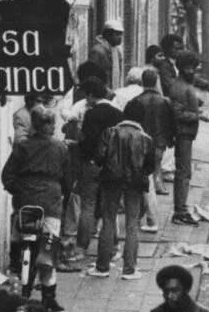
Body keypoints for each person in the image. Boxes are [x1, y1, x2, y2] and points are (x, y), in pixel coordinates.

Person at [2, 107, 71, 312]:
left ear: (34, 125)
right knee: (49, 244)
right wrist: (63, 194)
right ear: (50, 126)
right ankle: (48, 297)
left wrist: (17, 189)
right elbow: (67, 180)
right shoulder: (61, 148)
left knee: (18, 233)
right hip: (50, 200)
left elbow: (7, 175)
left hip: (25, 198)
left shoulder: (23, 147)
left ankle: (15, 264)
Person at [86, 103, 155, 280]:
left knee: (108, 221)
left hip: (111, 181)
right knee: (132, 224)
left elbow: (99, 157)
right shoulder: (146, 138)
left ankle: (102, 267)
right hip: (135, 184)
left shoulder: (110, 133)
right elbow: (150, 166)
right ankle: (129, 269)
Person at [69, 77, 123, 262]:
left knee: (88, 206)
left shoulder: (91, 114)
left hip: (91, 165)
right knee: (109, 208)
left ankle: (81, 248)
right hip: (111, 165)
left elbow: (87, 141)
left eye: (86, 96)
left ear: (91, 95)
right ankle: (113, 247)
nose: (86, 99)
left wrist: (80, 149)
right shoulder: (117, 113)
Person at [124, 69, 176, 230]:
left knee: (142, 184)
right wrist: (169, 141)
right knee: (150, 181)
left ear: (142, 82)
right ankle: (146, 217)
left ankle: (144, 217)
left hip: (139, 147)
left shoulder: (136, 102)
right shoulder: (165, 102)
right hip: (159, 146)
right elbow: (171, 124)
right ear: (156, 81)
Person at [169, 51, 209, 226]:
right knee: (183, 172)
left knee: (185, 172)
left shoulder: (185, 82)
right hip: (183, 133)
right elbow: (178, 114)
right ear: (180, 68)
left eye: (193, 68)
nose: (191, 71)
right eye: (188, 68)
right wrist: (198, 116)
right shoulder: (178, 87)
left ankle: (181, 208)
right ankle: (179, 211)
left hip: (187, 133)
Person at [88, 19, 124, 89]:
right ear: (108, 35)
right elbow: (92, 77)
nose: (120, 37)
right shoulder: (98, 51)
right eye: (117, 34)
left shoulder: (117, 51)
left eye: (121, 34)